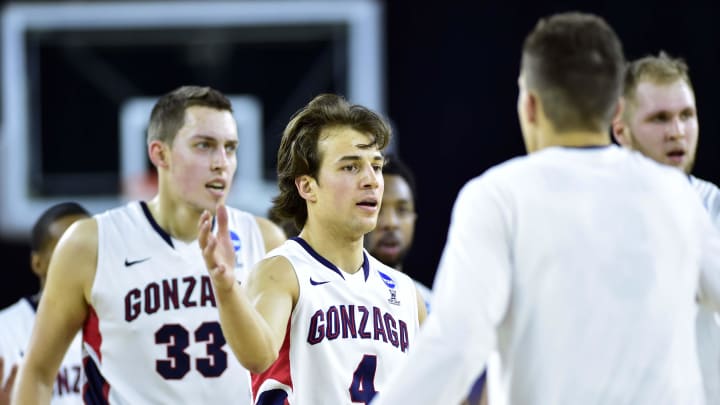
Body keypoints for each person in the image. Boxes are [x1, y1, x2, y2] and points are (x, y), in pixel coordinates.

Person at [372, 11, 720, 405]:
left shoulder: (499, 196)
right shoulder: (676, 195)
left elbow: (456, 345)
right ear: (614, 110)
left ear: (531, 105)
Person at [12, 86, 286, 405]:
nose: (221, 162)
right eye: (204, 146)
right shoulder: (90, 244)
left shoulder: (264, 240)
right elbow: (39, 373)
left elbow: (279, 369)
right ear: (159, 153)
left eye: (230, 148)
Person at [198, 93, 427, 404]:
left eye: (375, 166)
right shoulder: (282, 271)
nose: (371, 180)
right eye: (350, 167)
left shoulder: (406, 293)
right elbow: (258, 355)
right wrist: (226, 289)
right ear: (307, 186)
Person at [612, 52, 720, 403]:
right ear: (621, 131)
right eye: (659, 119)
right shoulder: (595, 212)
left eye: (686, 116)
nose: (677, 132)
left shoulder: (712, 203)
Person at [0, 202, 90, 405]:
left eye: (89, 250)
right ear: (37, 263)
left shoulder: (122, 323)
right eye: (66, 251)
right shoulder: (5, 330)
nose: (80, 260)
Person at [364, 154, 432, 309]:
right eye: (377, 208)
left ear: (414, 218)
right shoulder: (334, 299)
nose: (390, 223)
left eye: (402, 210)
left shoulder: (433, 308)